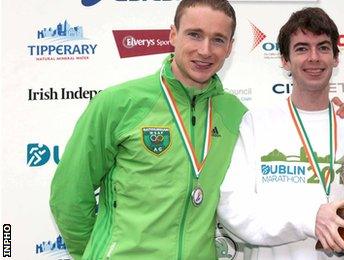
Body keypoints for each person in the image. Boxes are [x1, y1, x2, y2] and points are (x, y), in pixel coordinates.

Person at [49, 0, 248, 259]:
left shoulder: (235, 115)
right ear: (173, 35)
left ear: (230, 47)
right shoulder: (118, 103)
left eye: (218, 40)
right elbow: (69, 196)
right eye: (194, 34)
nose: (205, 50)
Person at [217, 7, 344, 259]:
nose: (313, 57)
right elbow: (233, 208)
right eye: (302, 48)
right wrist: (309, 219)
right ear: (284, 59)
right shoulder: (257, 123)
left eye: (323, 47)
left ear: (336, 58)